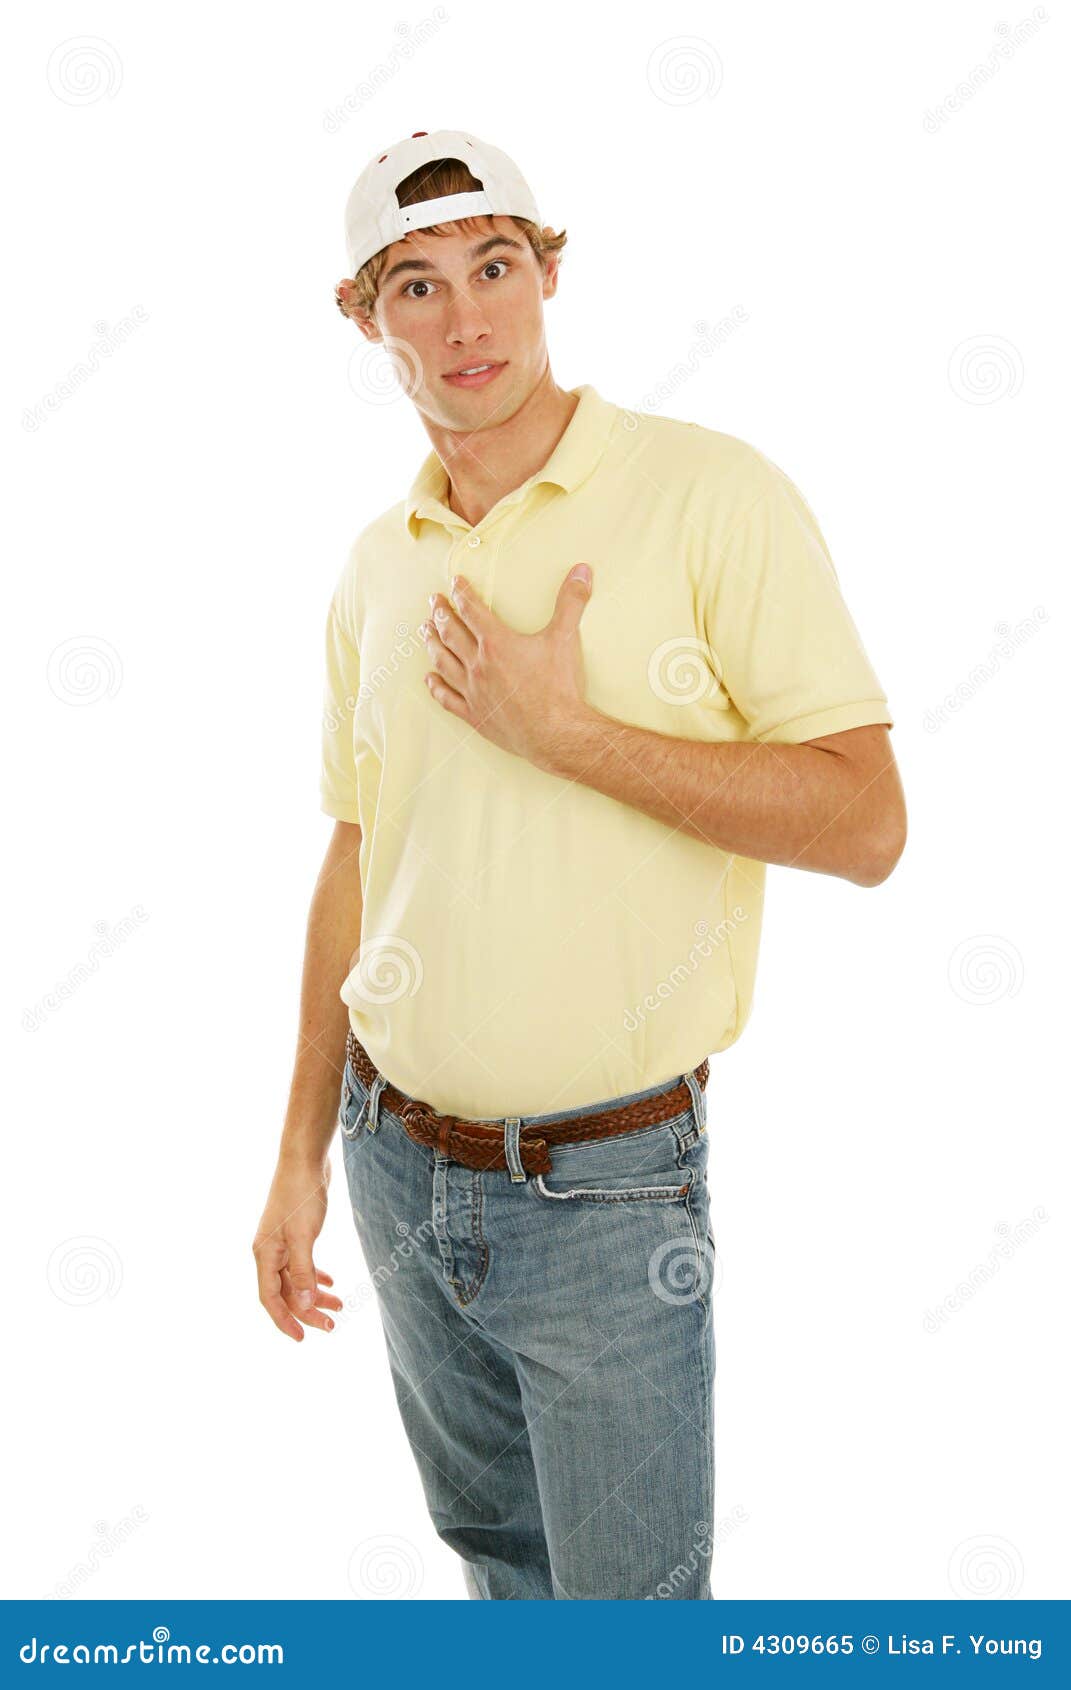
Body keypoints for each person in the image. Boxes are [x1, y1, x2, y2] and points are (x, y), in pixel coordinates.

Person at [252, 129, 908, 1600]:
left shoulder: (710, 496)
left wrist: (570, 732)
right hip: (397, 1163)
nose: (465, 318)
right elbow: (359, 853)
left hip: (605, 1193)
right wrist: (300, 1152)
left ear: (552, 275)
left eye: (494, 268)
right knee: (500, 1573)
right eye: (415, 285)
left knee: (630, 1614)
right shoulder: (379, 559)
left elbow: (867, 823)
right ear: (361, 316)